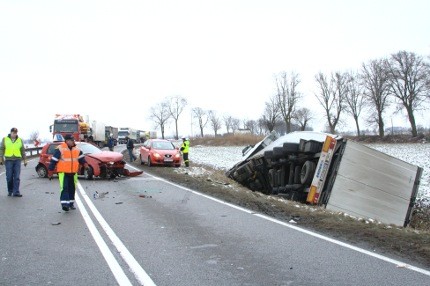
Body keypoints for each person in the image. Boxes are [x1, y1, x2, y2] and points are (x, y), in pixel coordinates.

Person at [48, 134, 88, 211]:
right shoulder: (60, 149)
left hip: (73, 173)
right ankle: (65, 204)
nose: (73, 142)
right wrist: (50, 171)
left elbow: (81, 159)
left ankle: (71, 203)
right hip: (63, 173)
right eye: (71, 140)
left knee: (72, 188)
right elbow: (54, 160)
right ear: (67, 141)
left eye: (73, 140)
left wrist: (85, 165)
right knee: (64, 188)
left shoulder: (77, 149)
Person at [0, 127, 27, 197]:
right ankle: (10, 190)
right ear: (11, 132)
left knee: (17, 177)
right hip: (8, 160)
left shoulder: (19, 140)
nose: (14, 134)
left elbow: (22, 150)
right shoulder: (5, 139)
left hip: (17, 160)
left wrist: (25, 160)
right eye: (13, 133)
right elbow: (2, 149)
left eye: (16, 133)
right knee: (9, 177)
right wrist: (0, 158)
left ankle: (16, 192)